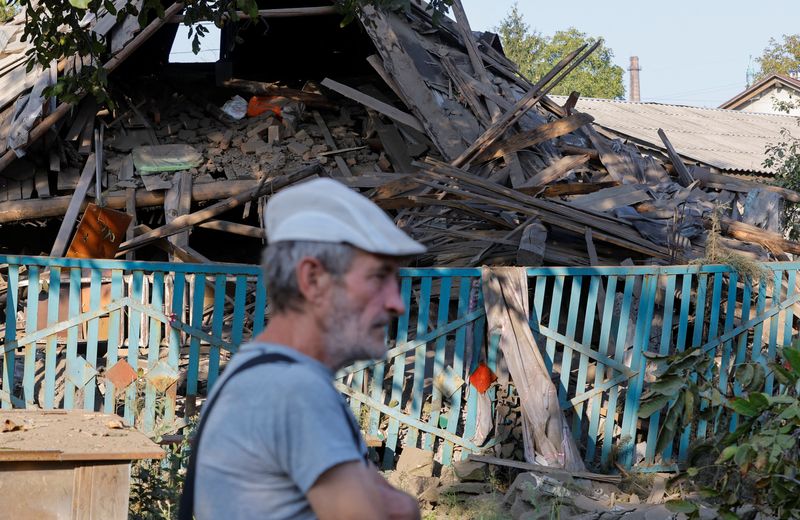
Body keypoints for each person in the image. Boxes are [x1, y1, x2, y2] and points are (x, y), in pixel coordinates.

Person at [183, 178, 425, 520]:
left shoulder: (255, 372)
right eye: (378, 277)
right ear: (312, 279)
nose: (397, 303)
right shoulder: (295, 391)